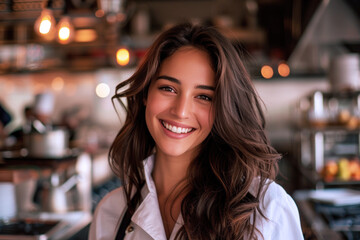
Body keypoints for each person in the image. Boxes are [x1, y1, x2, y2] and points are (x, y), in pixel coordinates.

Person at [89, 23, 303, 240]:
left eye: (204, 97)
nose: (181, 111)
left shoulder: (267, 211)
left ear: (222, 109)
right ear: (145, 93)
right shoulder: (110, 215)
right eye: (168, 88)